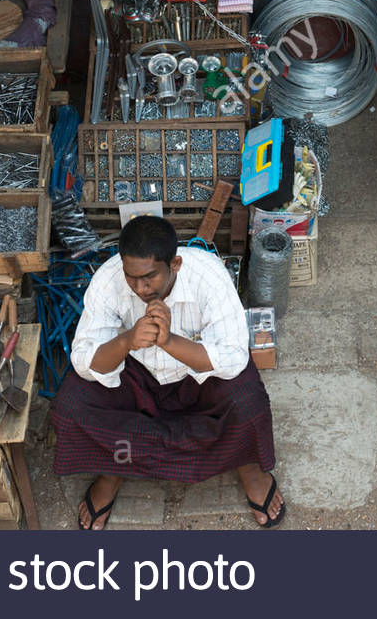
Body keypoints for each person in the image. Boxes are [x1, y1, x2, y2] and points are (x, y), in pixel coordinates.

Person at [50, 215, 284, 529]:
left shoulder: (209, 276)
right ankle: (113, 469)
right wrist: (127, 340)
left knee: (247, 402)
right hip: (137, 377)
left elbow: (232, 359)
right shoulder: (108, 281)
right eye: (131, 277)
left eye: (149, 278)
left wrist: (170, 341)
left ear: (174, 263)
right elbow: (84, 359)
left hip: (195, 376)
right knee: (69, 407)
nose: (139, 288)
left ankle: (249, 467)